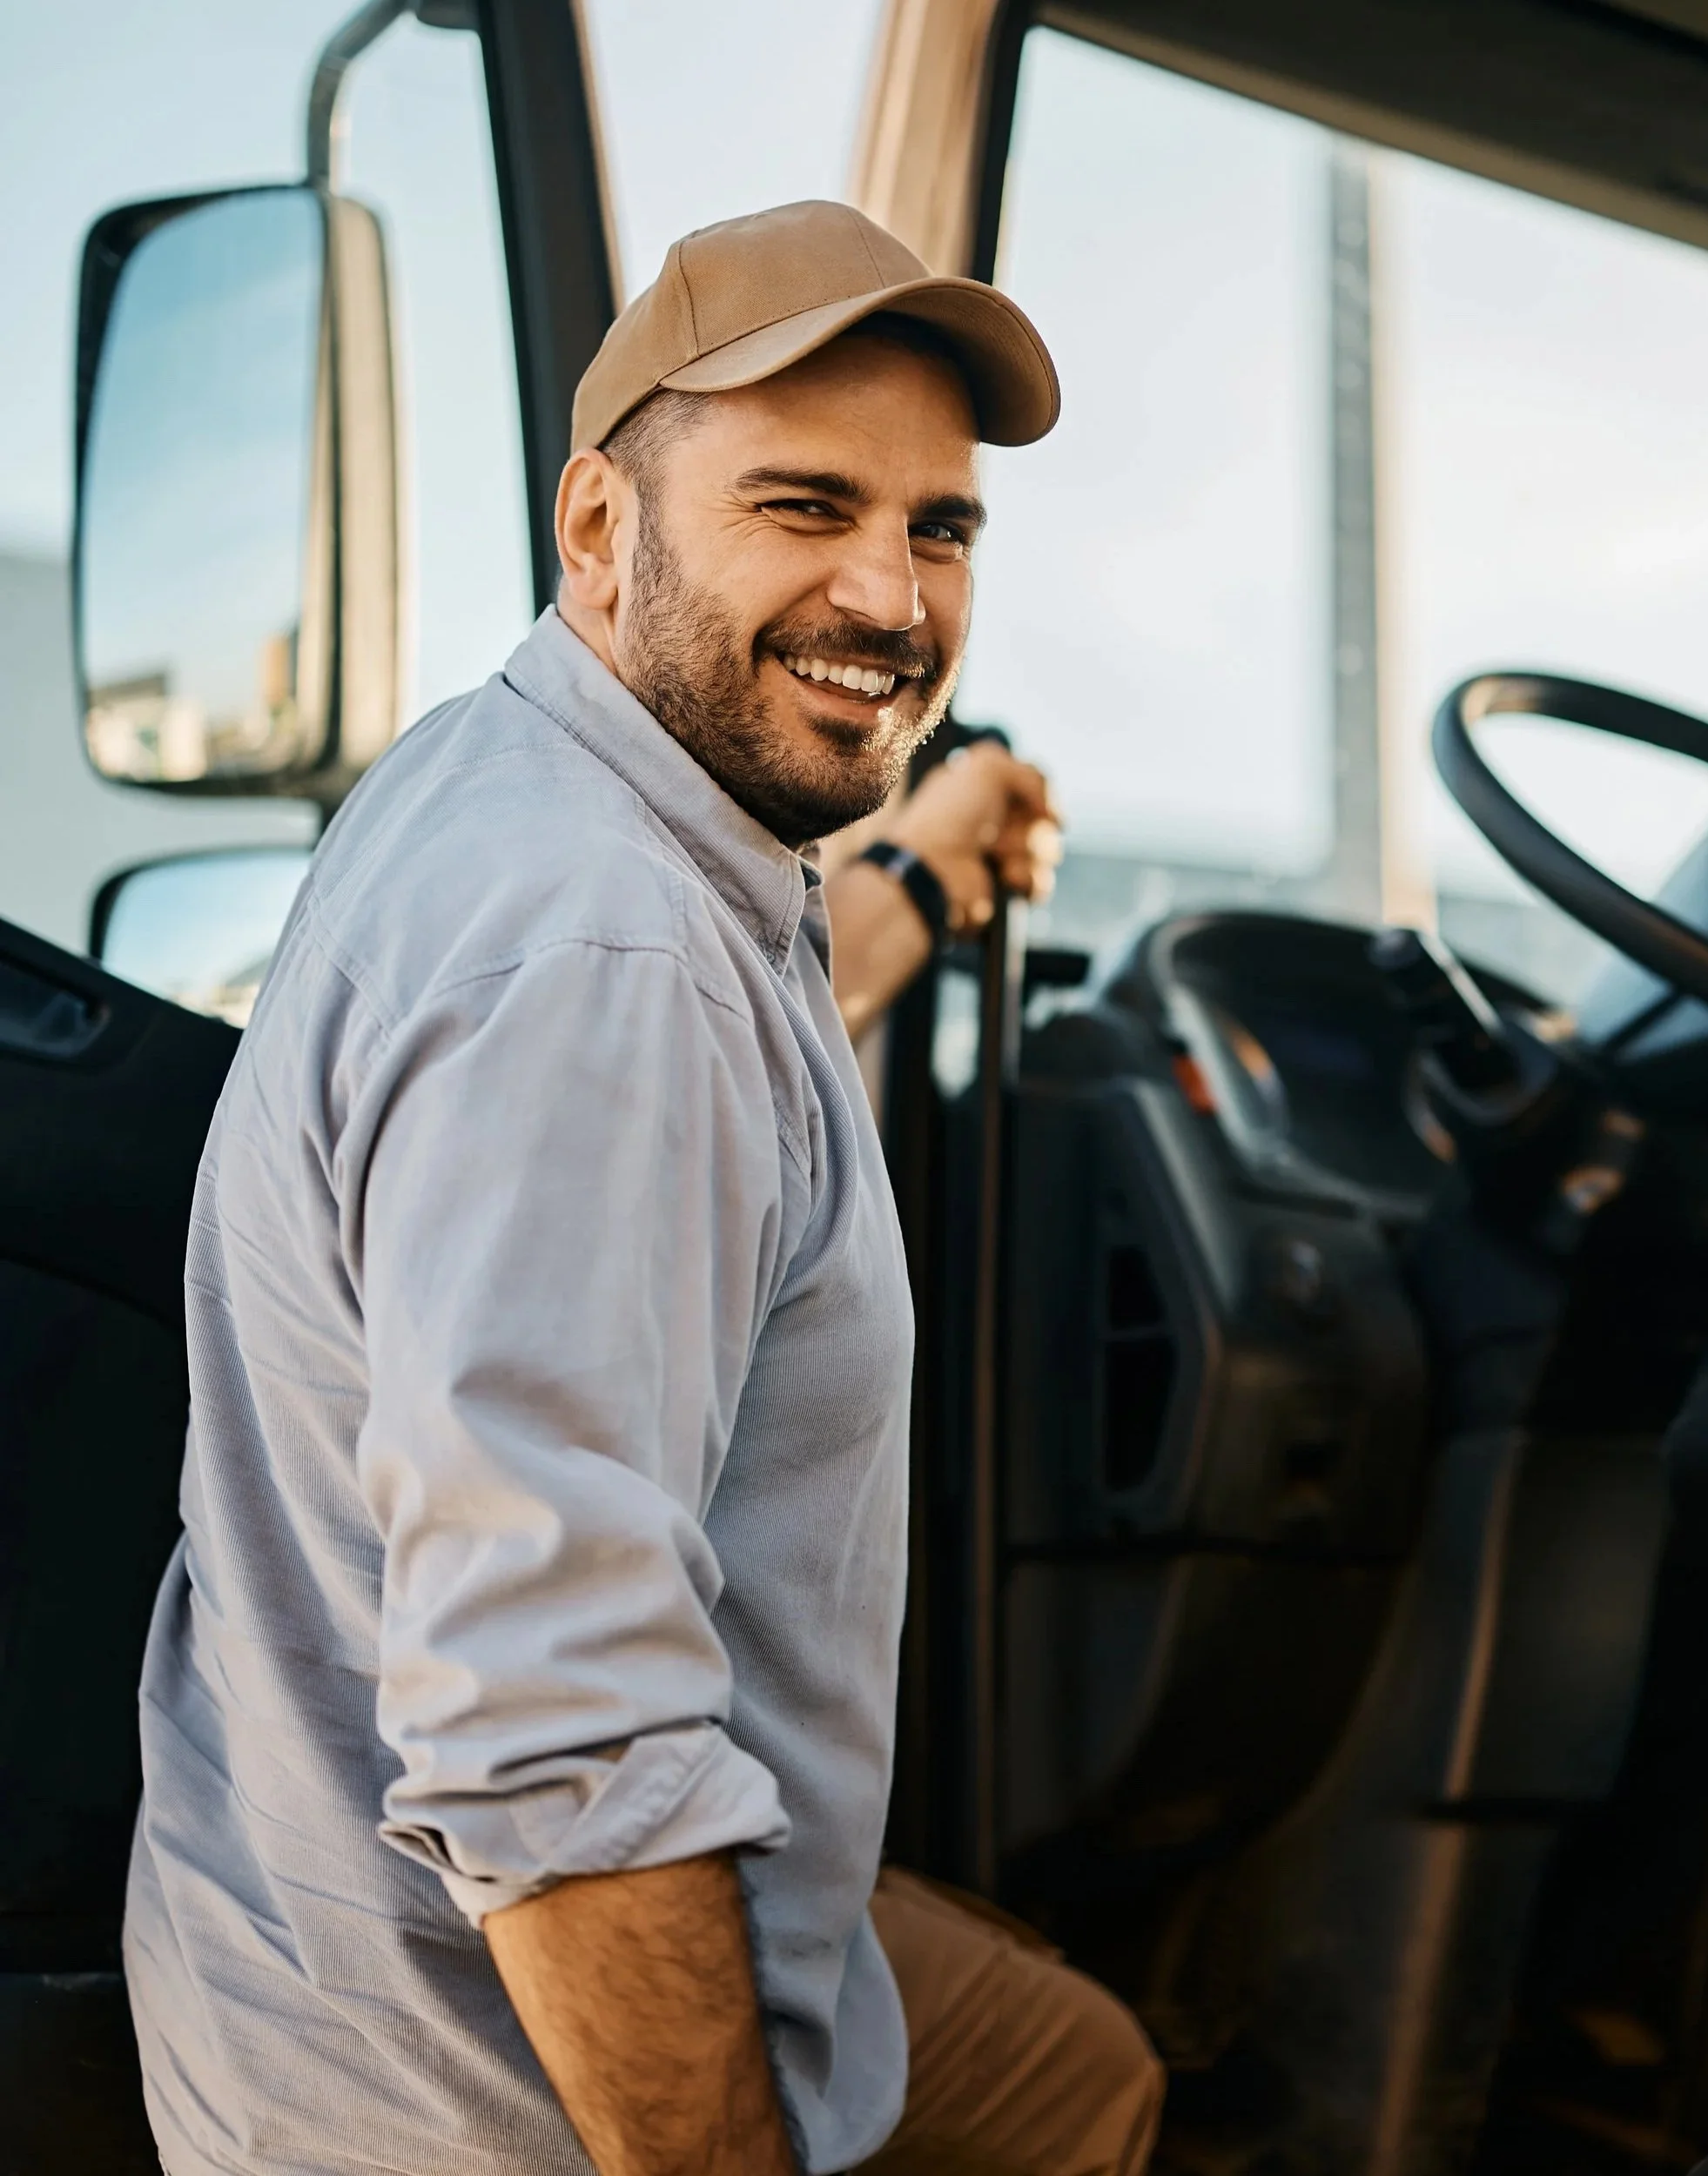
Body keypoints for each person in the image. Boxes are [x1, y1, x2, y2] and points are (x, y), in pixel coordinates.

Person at [124, 199, 1163, 2176]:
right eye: (801, 506)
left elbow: (735, 1032)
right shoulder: (599, 959)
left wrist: (925, 872)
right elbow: (551, 1733)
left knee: (1067, 2066)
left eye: (936, 528)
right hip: (474, 2084)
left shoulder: (525, 788)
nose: (891, 596)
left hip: (294, 1909)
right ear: (597, 527)